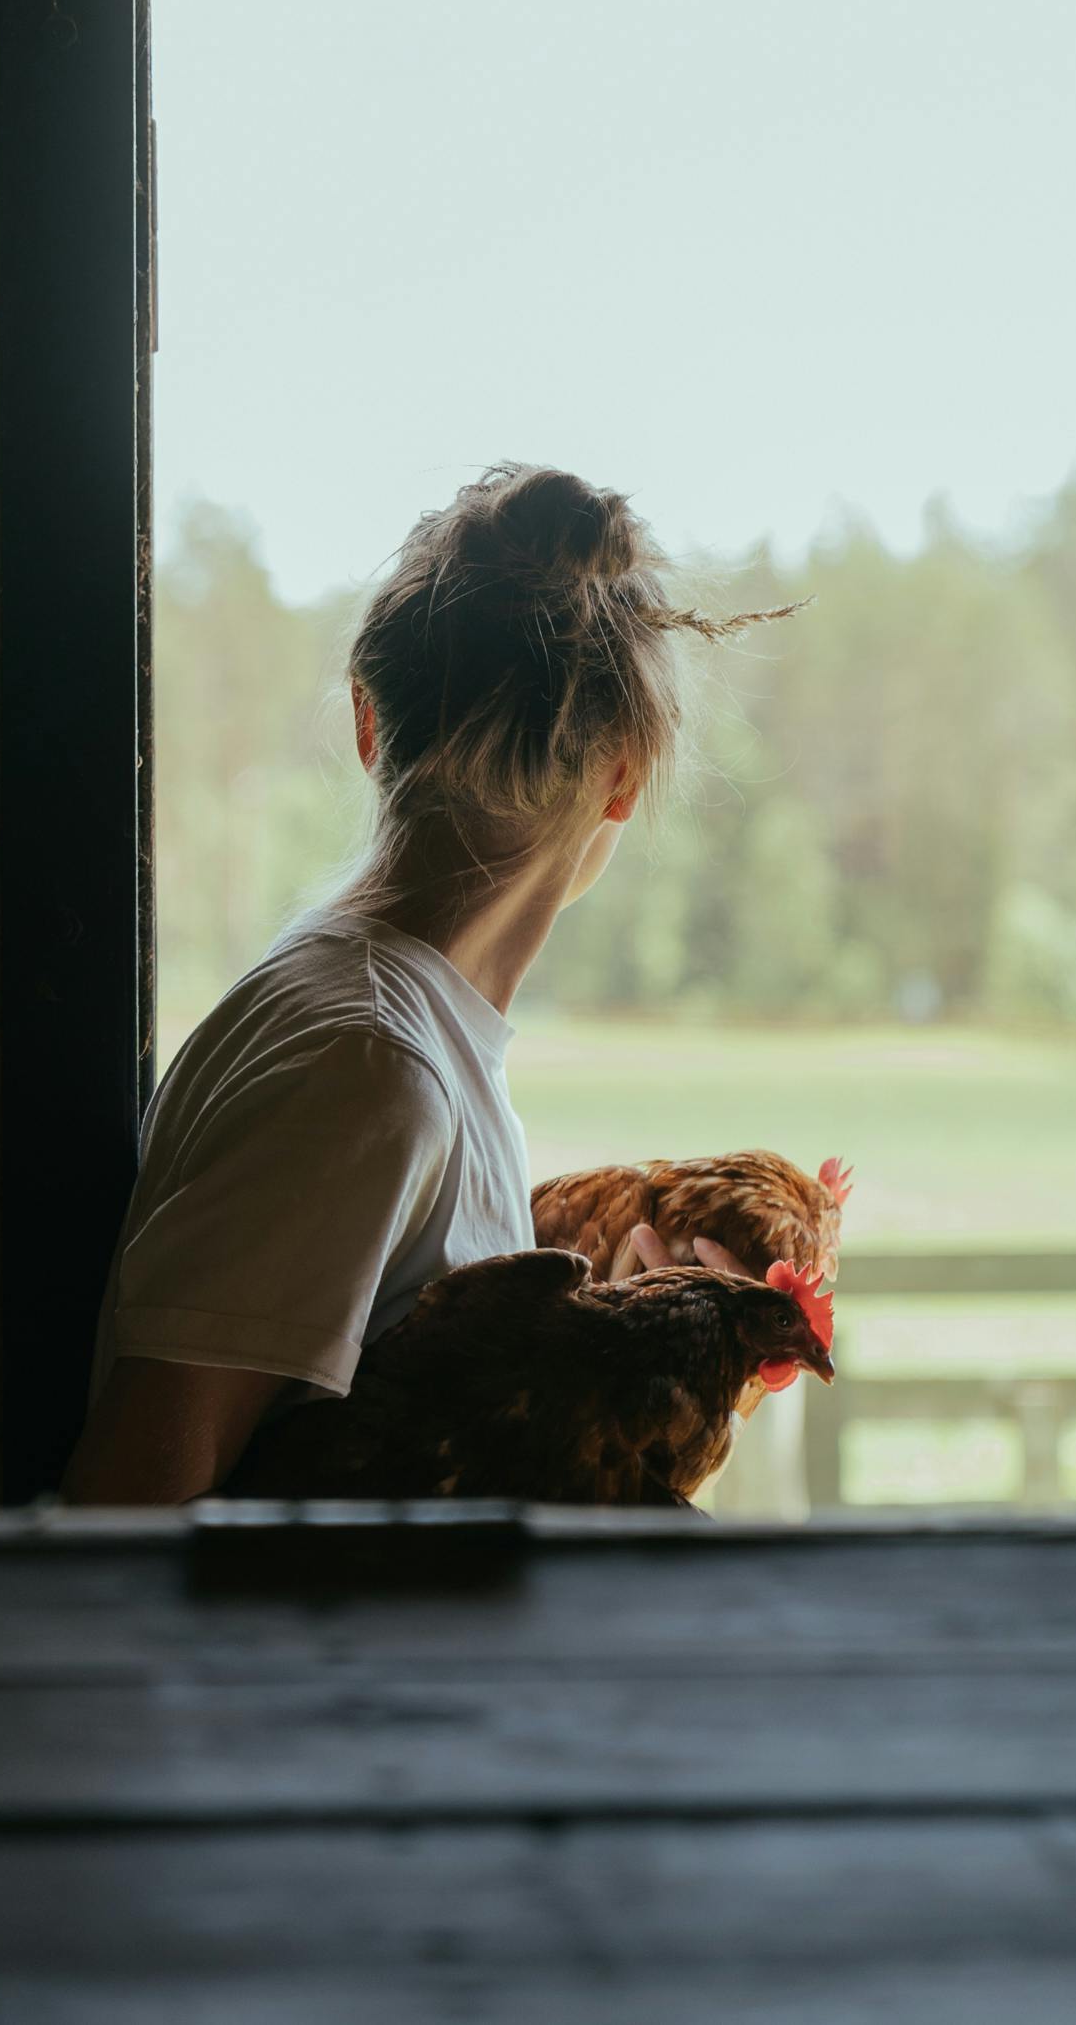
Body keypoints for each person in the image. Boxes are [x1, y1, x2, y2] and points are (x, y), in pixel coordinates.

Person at [64, 463, 785, 1505]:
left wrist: (613, 1344)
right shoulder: (363, 1065)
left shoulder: (393, 1034)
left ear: (367, 720)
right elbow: (129, 1513)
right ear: (622, 775)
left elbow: (395, 1422)